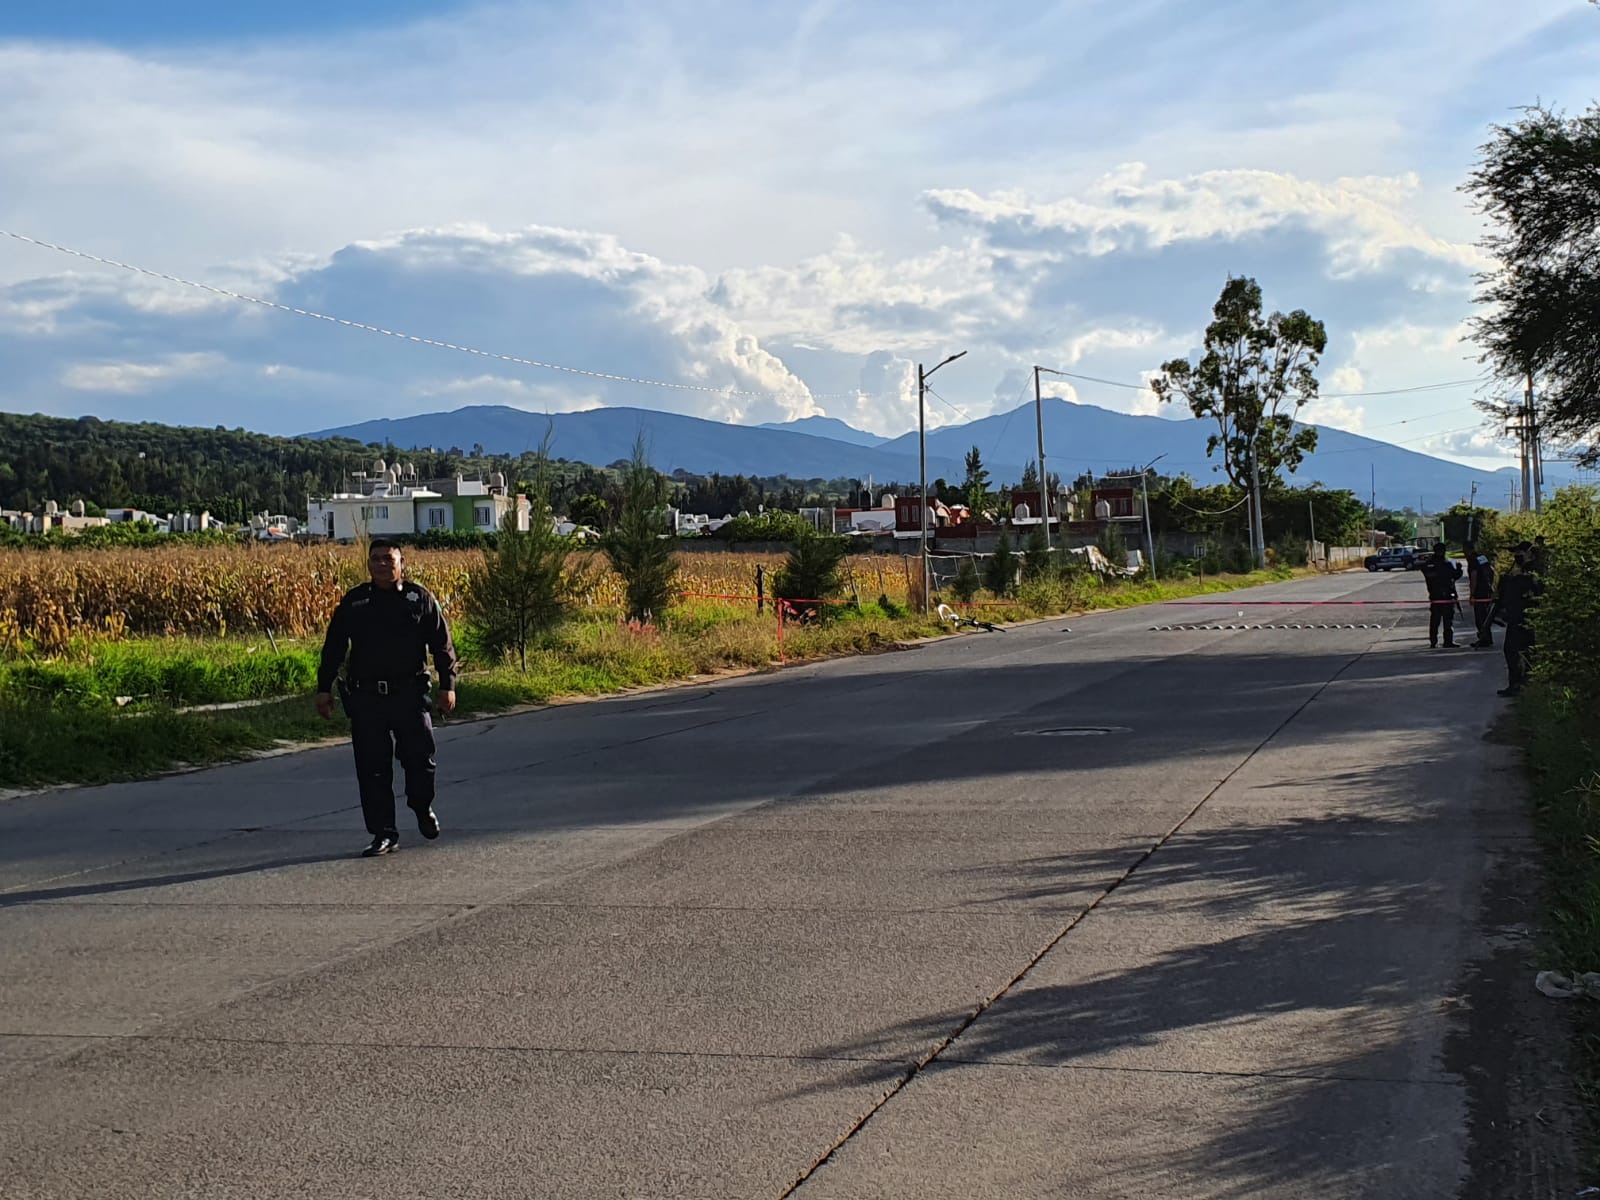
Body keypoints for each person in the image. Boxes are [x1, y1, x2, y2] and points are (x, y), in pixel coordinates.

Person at [316, 539, 459, 856]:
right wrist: (323, 688)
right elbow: (334, 647)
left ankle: (422, 807)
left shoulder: (417, 598)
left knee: (420, 762)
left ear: (401, 562)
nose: (382, 564)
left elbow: (442, 644)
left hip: (409, 695)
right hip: (367, 697)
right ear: (368, 564)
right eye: (375, 559)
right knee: (372, 768)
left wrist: (447, 685)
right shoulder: (355, 603)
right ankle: (384, 832)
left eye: (388, 558)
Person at [1488, 545, 1543, 697]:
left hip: (1523, 617)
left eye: (1520, 552)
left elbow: (1532, 590)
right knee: (1522, 650)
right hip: (1518, 616)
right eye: (1515, 553)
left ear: (1529, 553)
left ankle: (1519, 683)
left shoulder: (1532, 571)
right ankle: (1524, 683)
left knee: (1513, 650)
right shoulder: (1519, 572)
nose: (1517, 556)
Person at [1418, 544, 1463, 648]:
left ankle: (1439, 641)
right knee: (1441, 620)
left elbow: (1453, 576)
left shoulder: (1433, 563)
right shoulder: (1445, 564)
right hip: (1442, 596)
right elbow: (1454, 575)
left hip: (1440, 596)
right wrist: (1459, 569)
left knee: (1441, 620)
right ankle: (1441, 641)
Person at [1466, 542, 1496, 649]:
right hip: (1487, 590)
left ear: (1467, 550)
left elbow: (1474, 577)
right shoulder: (1482, 558)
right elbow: (1491, 571)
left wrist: (1472, 594)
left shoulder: (1472, 560)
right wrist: (1491, 587)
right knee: (1486, 615)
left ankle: (1484, 639)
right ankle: (1488, 637)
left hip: (1479, 592)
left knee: (1480, 617)